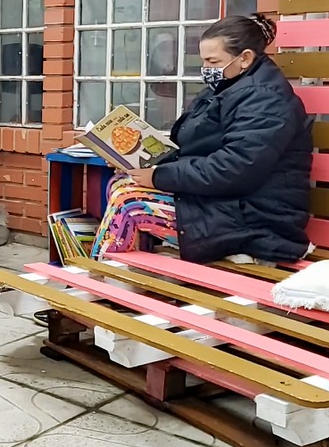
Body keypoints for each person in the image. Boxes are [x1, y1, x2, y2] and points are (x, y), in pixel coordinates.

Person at [95, 14, 313, 265]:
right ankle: (129, 277)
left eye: (213, 61)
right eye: (204, 61)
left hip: (257, 220)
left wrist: (159, 175)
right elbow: (196, 147)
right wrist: (139, 162)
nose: (207, 69)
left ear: (244, 58)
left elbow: (236, 168)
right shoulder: (229, 87)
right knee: (122, 183)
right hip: (224, 204)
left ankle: (103, 282)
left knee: (130, 204)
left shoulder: (266, 100)